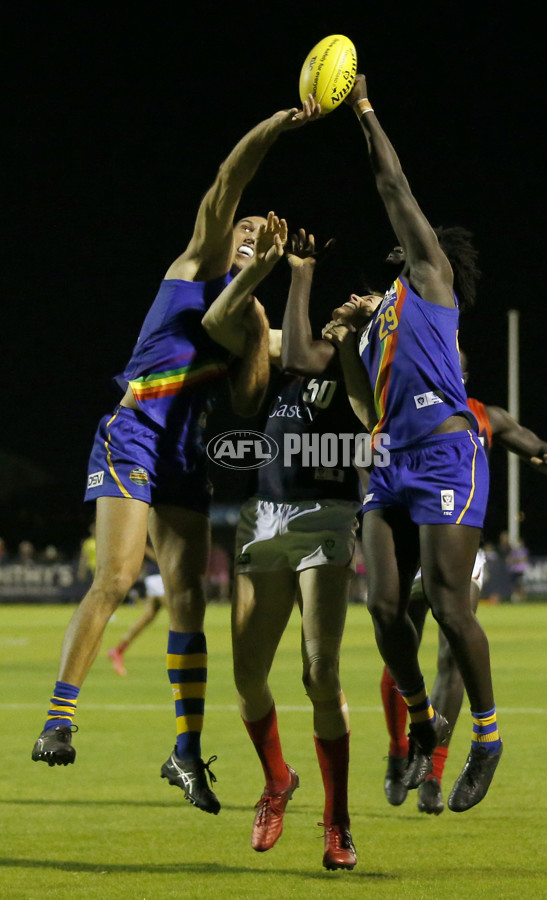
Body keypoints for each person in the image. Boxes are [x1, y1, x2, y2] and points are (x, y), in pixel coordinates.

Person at [31, 96, 321, 820]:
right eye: (244, 223)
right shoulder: (192, 266)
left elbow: (289, 363)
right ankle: (59, 718)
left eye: (259, 229)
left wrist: (357, 319)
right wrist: (280, 127)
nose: (248, 227)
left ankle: (186, 752)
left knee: (190, 598)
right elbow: (229, 179)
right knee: (119, 576)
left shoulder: (248, 315)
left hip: (184, 457)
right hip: (133, 434)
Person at [322, 73, 502, 813]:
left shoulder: (431, 279)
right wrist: (344, 342)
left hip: (447, 454)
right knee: (384, 608)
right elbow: (364, 408)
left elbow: (392, 184)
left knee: (453, 607)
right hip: (389, 459)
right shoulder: (380, 323)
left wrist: (363, 108)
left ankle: (486, 738)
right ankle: (423, 718)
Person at [223, 231, 363, 870]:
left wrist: (306, 280)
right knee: (247, 676)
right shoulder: (280, 346)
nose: (344, 310)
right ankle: (278, 780)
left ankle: (337, 825)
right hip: (263, 516)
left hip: (325, 516)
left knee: (320, 672)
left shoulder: (350, 357)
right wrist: (261, 271)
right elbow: (261, 336)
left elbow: (311, 355)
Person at [382, 373, 547, 813]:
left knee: (452, 655)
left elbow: (528, 441)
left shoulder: (484, 416)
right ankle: (400, 751)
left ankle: (433, 771)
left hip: (458, 545)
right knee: (397, 648)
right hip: (409, 542)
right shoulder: (398, 403)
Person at [107, 540, 166, 676]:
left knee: (148, 617)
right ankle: (187, 659)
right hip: (158, 578)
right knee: (179, 616)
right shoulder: (154, 528)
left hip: (159, 576)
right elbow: (145, 548)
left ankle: (118, 650)